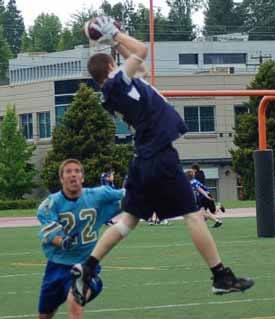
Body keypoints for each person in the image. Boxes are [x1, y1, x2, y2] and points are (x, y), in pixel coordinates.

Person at [71, 16, 253, 306]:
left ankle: (87, 266)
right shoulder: (117, 82)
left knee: (128, 220)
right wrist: (115, 34)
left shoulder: (116, 88)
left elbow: (139, 65)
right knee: (193, 215)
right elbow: (141, 50)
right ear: (110, 68)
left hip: (144, 157)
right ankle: (220, 276)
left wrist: (116, 43)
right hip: (158, 155)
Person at [37, 159, 124, 318]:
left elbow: (127, 195)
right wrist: (63, 241)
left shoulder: (98, 194)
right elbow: (49, 232)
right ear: (61, 178)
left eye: (77, 171)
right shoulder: (51, 203)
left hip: (85, 265)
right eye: (68, 171)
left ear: (82, 177)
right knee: (44, 315)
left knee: (74, 300)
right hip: (57, 266)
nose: (73, 175)